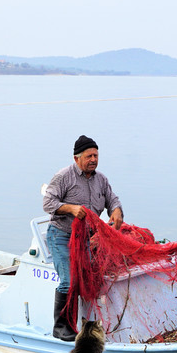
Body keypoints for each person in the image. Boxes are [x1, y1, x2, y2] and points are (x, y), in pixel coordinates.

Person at [42, 135, 124, 341]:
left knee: (85, 281)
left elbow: (112, 199)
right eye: (89, 156)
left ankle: (82, 325)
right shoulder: (64, 177)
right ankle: (60, 327)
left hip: (84, 240)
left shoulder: (101, 180)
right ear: (76, 158)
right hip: (61, 235)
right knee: (69, 282)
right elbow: (48, 203)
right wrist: (70, 208)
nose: (93, 159)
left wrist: (116, 210)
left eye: (96, 155)